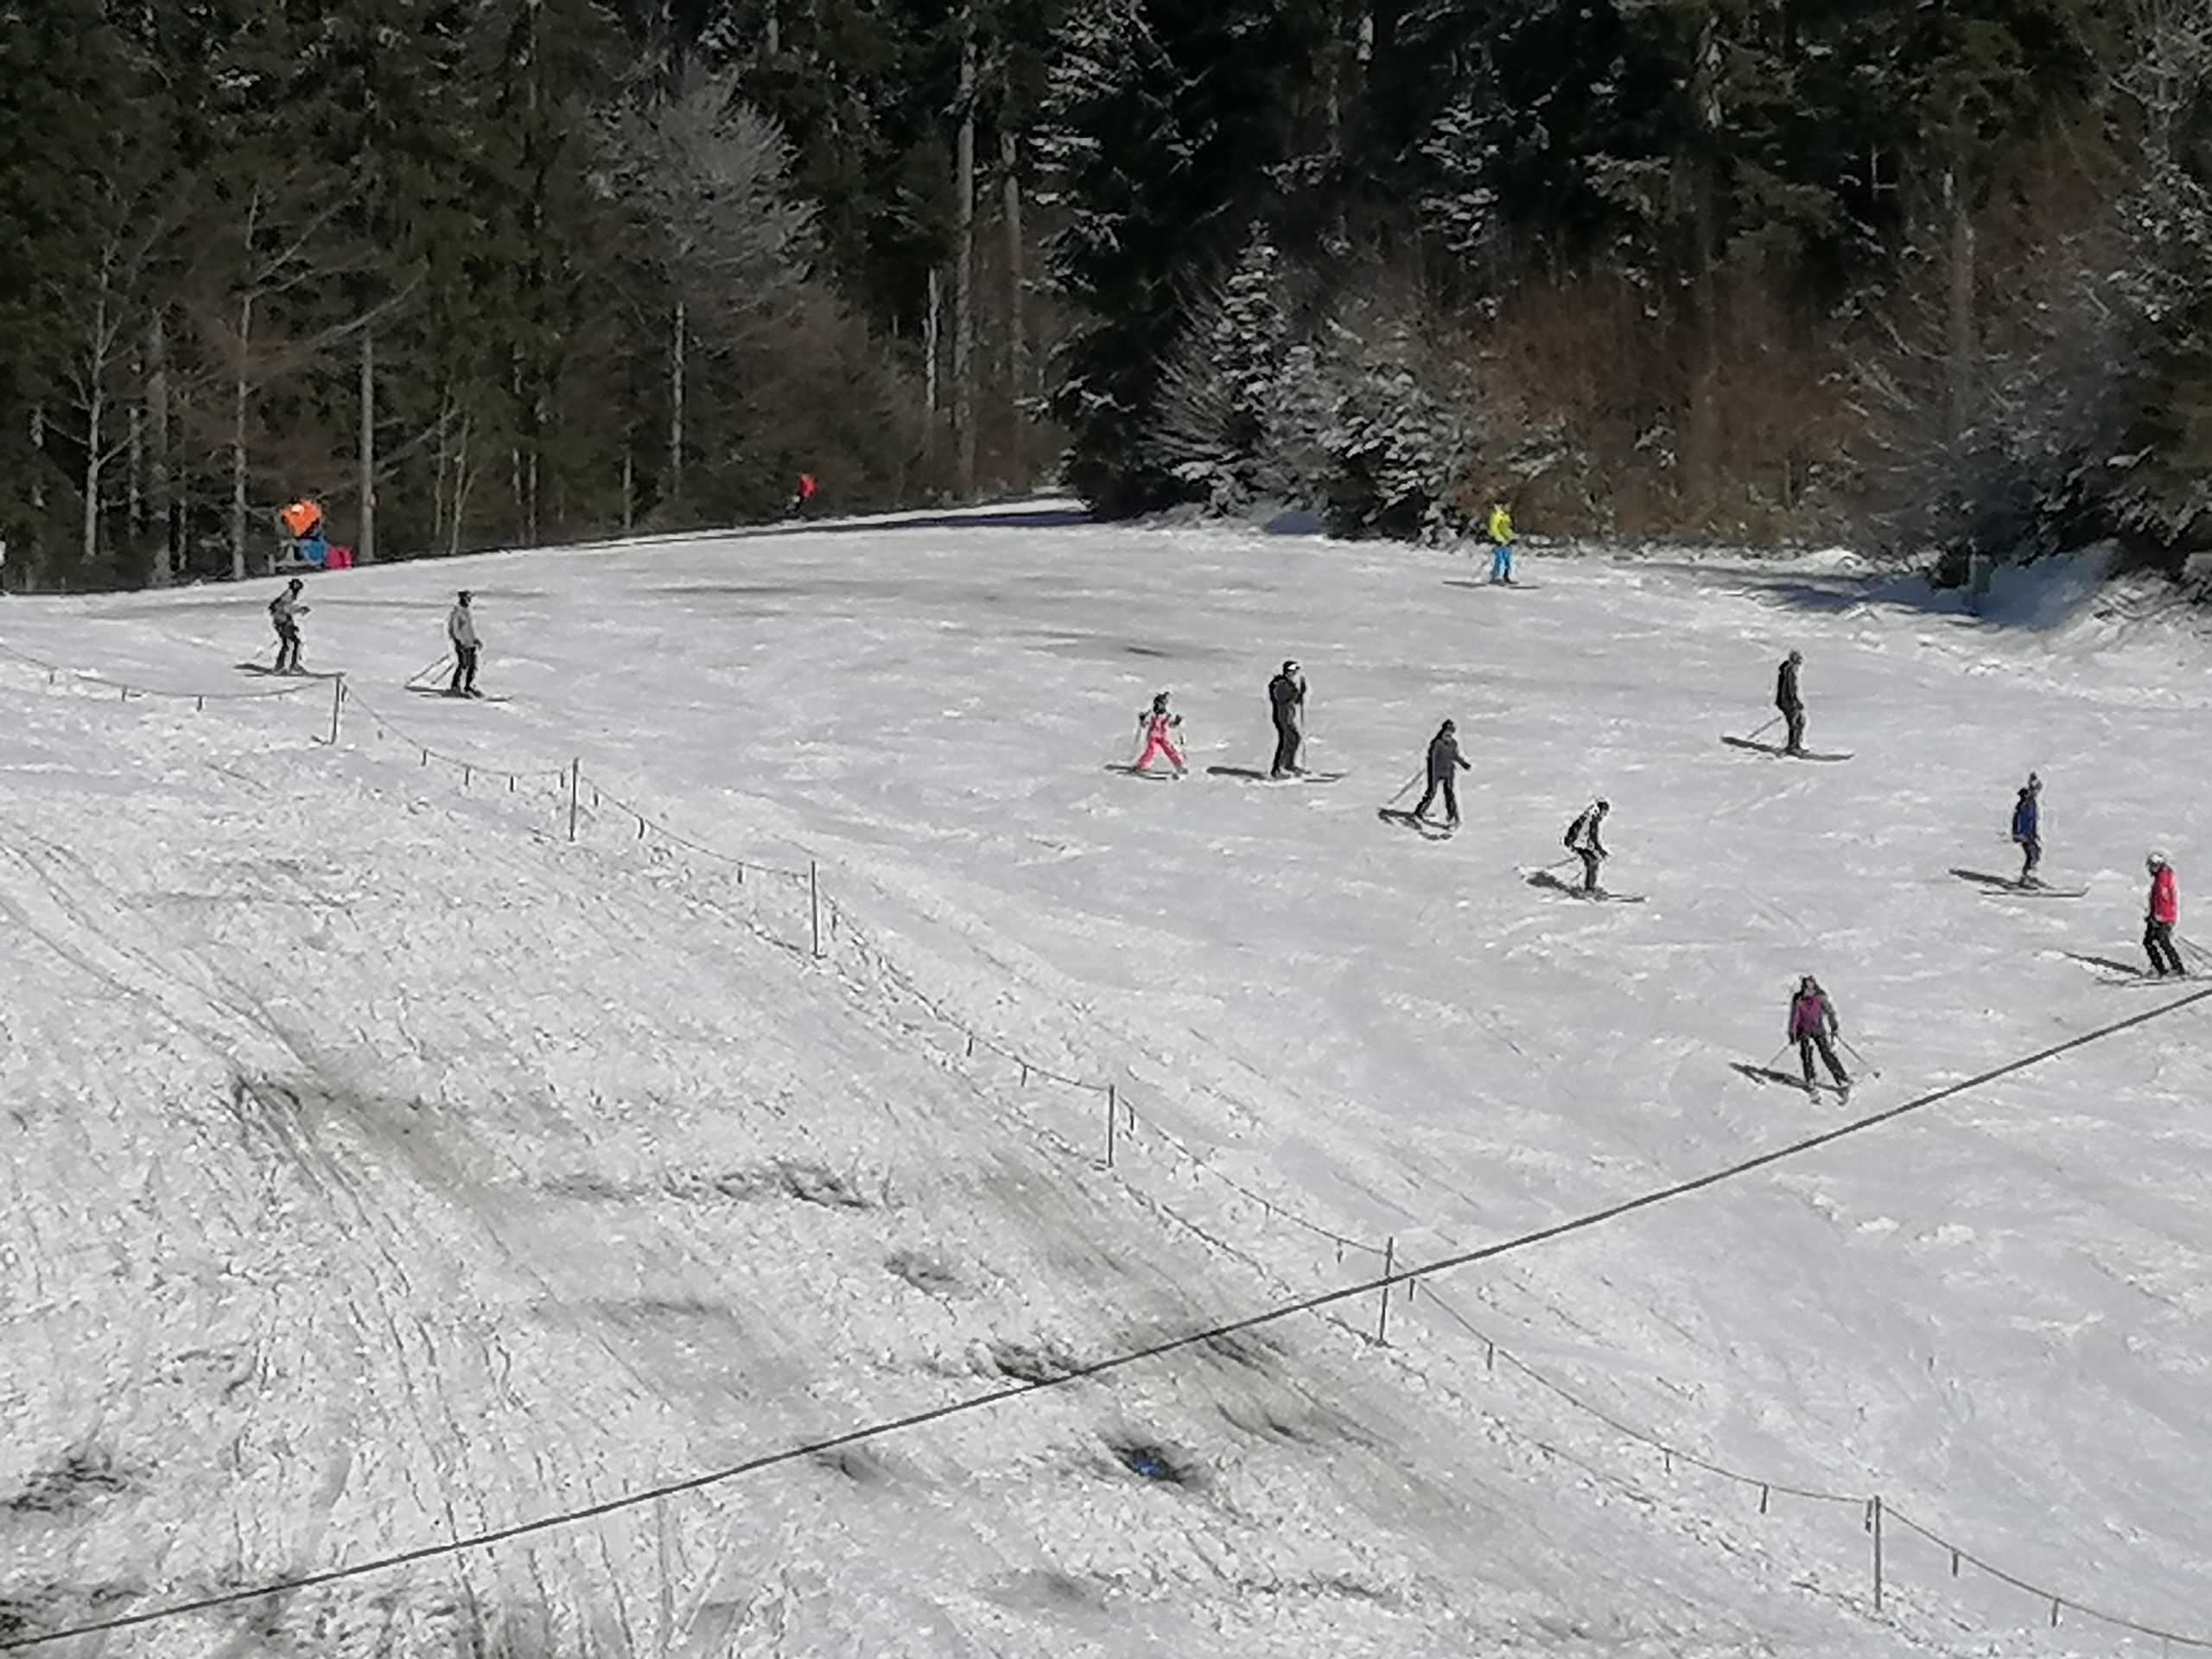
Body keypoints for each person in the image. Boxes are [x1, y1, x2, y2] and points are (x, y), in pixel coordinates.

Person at [1787, 976, 1851, 1095]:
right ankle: (1810, 1078)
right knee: (1806, 1054)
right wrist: (1793, 1033)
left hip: (1818, 1029)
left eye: (1810, 988)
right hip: (1804, 1031)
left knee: (1826, 1053)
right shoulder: (1799, 999)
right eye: (1806, 988)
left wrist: (1834, 1027)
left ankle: (1841, 1077)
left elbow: (1830, 1013)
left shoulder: (1820, 998)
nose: (1808, 991)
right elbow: (1795, 1017)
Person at [1413, 720, 1470, 827]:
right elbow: (1432, 759)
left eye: (1451, 732)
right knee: (1431, 793)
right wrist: (1432, 773)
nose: (1448, 735)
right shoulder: (1437, 744)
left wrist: (1463, 763)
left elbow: (1454, 755)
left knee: (1449, 794)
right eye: (1447, 732)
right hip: (1436, 772)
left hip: (1448, 772)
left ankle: (1452, 816)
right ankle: (1419, 812)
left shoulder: (1453, 743)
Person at [2145, 852, 2184, 977]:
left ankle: (2175, 967)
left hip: (2162, 917)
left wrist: (2159, 916)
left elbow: (2164, 900)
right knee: (2151, 941)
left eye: (2151, 866)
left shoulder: (2162, 879)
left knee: (2160, 941)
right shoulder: (2161, 878)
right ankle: (2161, 967)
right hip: (2158, 916)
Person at [1132, 691, 1186, 777]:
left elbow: (1171, 724)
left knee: (1170, 749)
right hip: (1153, 736)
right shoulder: (1151, 714)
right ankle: (1140, 765)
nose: (1158, 706)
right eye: (1157, 704)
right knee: (1151, 750)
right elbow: (1145, 724)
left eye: (1161, 704)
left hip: (1163, 736)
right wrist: (1142, 720)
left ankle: (1179, 765)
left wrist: (1176, 722)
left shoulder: (1167, 715)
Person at [1268, 659, 1306, 778]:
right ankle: (1277, 768)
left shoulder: (1288, 684)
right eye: (1293, 672)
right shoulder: (1280, 683)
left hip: (1288, 716)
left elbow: (1295, 700)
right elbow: (1283, 697)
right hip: (1282, 716)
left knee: (1295, 738)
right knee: (1286, 740)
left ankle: (1289, 764)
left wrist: (1301, 693)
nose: (1294, 674)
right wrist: (1296, 692)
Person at [1564, 798, 1610, 893]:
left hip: (1581, 844)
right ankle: (1589, 888)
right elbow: (1593, 837)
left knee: (1594, 860)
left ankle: (1591, 886)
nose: (1605, 815)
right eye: (1604, 812)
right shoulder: (1591, 819)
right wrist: (1600, 850)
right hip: (1578, 843)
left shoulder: (1591, 817)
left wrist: (1600, 850)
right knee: (1593, 861)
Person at [269, 577, 308, 672]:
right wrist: (300, 610)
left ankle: (281, 665)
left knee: (288, 644)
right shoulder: (289, 596)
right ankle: (291, 665)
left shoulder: (288, 595)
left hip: (281, 622)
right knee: (293, 643)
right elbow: (286, 610)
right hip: (282, 622)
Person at [447, 589, 481, 697]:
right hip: (462, 644)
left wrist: (475, 639)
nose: (470, 600)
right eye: (468, 598)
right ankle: (455, 686)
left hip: (470, 644)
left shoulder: (468, 612)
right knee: (463, 664)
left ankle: (469, 686)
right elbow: (455, 630)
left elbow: (469, 629)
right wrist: (460, 642)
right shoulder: (457, 613)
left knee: (473, 665)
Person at [2011, 773, 2043, 887]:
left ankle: (2027, 877)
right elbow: (2023, 819)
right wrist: (2022, 834)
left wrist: (2035, 833)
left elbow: (2032, 820)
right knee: (2033, 854)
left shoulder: (2031, 802)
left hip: (2028, 834)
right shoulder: (2027, 803)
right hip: (2025, 834)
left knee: (2034, 854)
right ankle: (2026, 879)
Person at [1775, 649, 1806, 755]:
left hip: (1785, 701)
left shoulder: (1787, 669)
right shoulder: (1792, 670)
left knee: (1798, 722)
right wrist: (1796, 702)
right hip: (1788, 701)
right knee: (1797, 723)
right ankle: (1793, 746)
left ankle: (1794, 745)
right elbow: (1792, 687)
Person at [1486, 500, 1515, 584]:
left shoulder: (1506, 516)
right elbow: (1494, 528)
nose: (1509, 508)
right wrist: (1499, 539)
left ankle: (1505, 576)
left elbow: (1507, 528)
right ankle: (1496, 577)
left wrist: (1510, 537)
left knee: (1507, 560)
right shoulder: (1496, 516)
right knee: (1500, 559)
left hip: (1506, 540)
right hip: (1498, 540)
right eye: (1507, 506)